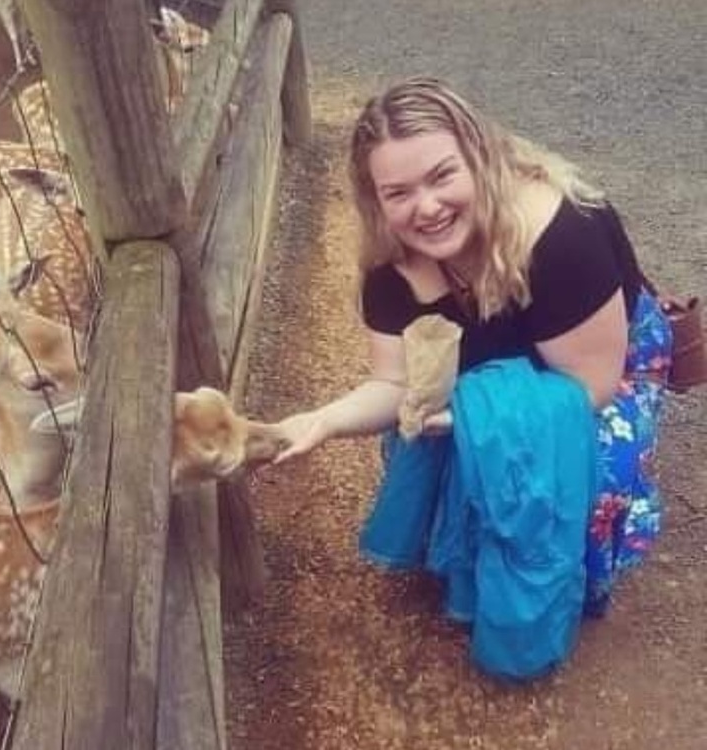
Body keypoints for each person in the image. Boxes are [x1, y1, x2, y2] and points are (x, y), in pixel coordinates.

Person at [272, 77, 673, 677]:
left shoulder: (560, 234)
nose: (426, 208)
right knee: (421, 434)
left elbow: (588, 390)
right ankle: (471, 554)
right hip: (498, 376)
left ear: (480, 156)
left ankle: (575, 577)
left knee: (592, 460)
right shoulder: (392, 268)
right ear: (376, 200)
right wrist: (322, 420)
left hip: (596, 368)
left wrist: (469, 421)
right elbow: (395, 386)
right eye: (398, 192)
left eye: (441, 176)